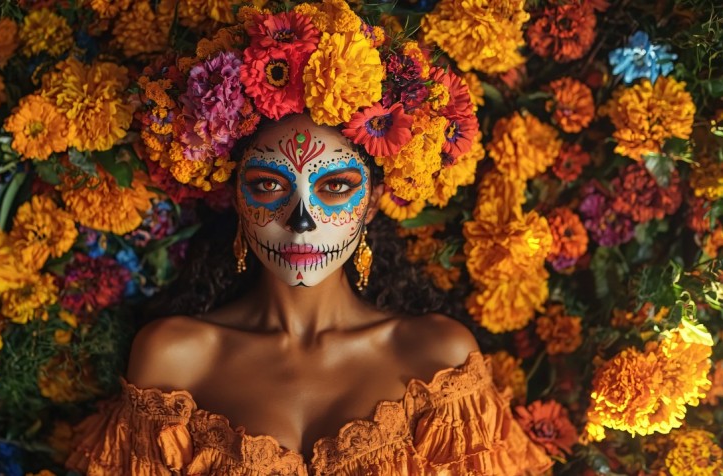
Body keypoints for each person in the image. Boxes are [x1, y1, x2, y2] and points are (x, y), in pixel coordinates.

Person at [66, 3, 553, 474]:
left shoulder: (437, 361)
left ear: (374, 201)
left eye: (335, 186)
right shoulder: (175, 360)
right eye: (268, 185)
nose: (301, 219)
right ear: (235, 197)